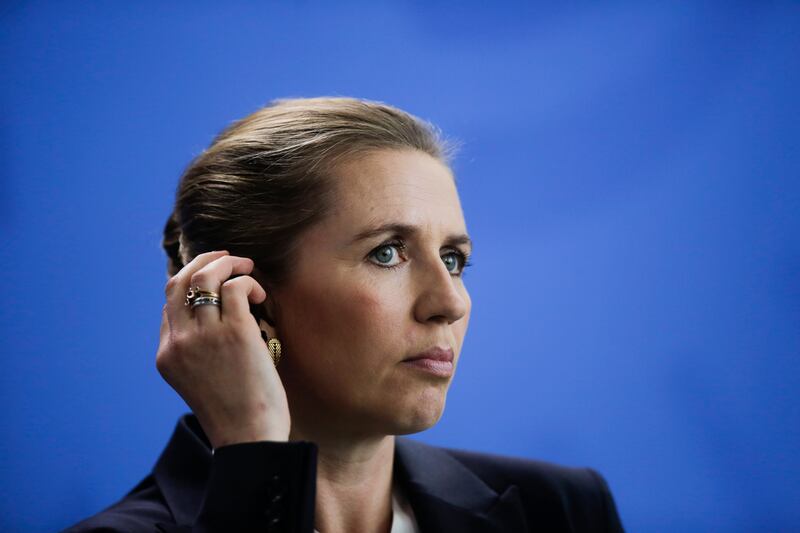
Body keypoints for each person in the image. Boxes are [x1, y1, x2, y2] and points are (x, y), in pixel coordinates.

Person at [65, 97, 625, 532]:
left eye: (453, 259)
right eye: (386, 252)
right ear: (245, 293)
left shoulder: (561, 511)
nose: (449, 303)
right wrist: (254, 456)